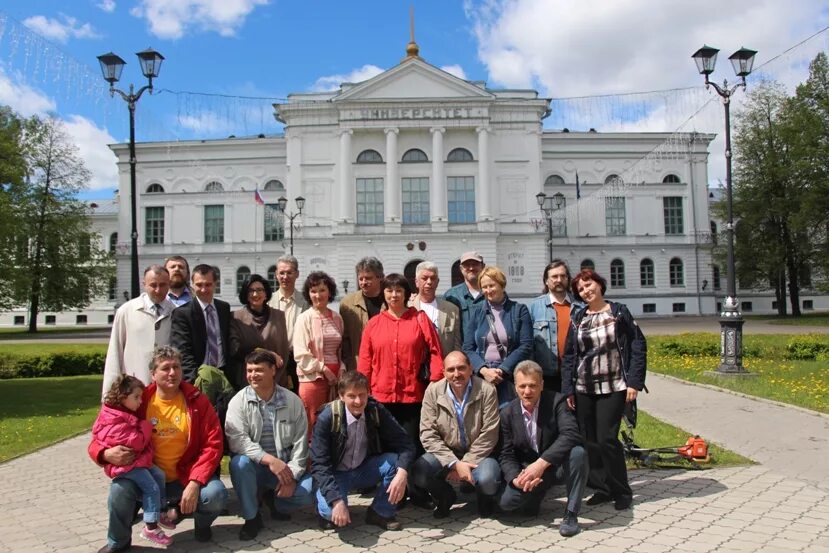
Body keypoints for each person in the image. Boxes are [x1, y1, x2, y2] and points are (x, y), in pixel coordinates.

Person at [89, 346, 228, 553]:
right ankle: (118, 542)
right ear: (153, 374)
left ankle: (201, 527)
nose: (172, 373)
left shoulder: (197, 401)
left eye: (177, 367)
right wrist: (104, 454)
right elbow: (100, 434)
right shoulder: (138, 401)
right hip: (148, 477)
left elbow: (213, 443)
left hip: (185, 475)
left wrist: (195, 481)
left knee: (215, 494)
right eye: (165, 368)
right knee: (119, 490)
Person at [562, 269, 647, 511]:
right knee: (590, 441)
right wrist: (568, 389)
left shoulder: (619, 312)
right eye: (580, 289)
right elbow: (570, 355)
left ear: (600, 284)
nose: (586, 291)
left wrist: (634, 382)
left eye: (589, 285)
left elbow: (637, 345)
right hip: (583, 387)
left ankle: (622, 490)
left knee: (608, 439)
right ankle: (602, 488)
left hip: (614, 385)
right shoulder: (579, 317)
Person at [225, 349, 314, 540]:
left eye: (258, 370)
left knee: (307, 492)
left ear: (273, 370)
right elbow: (237, 441)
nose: (252, 375)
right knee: (239, 463)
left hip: (284, 469)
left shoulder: (292, 401)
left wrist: (292, 477)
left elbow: (301, 443)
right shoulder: (238, 402)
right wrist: (269, 460)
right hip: (254, 468)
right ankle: (252, 517)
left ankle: (275, 500)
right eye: (249, 370)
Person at [310, 371, 415, 531]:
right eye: (352, 396)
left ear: (368, 393)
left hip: (364, 469)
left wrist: (402, 474)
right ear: (341, 396)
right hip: (336, 474)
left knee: (395, 462)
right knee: (330, 511)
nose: (358, 401)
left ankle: (380, 512)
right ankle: (328, 505)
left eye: (362, 395)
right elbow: (319, 464)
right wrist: (336, 501)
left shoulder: (375, 410)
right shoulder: (327, 418)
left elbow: (405, 443)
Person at [498, 360, 588, 537]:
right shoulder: (507, 413)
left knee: (578, 453)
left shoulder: (557, 402)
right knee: (507, 504)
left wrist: (541, 464)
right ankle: (535, 494)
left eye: (532, 385)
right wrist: (516, 479)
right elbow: (506, 454)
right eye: (522, 386)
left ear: (542, 385)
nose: (527, 391)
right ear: (515, 387)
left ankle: (571, 514)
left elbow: (570, 434)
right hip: (527, 473)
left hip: (553, 467)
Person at [358, 273, 444, 455]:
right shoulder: (374, 324)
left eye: (399, 290)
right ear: (384, 293)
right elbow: (365, 359)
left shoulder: (419, 319)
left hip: (413, 395)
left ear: (406, 294)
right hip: (381, 396)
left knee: (411, 445)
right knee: (385, 446)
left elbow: (436, 351)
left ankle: (412, 483)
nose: (394, 295)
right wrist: (361, 390)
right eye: (389, 290)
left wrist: (435, 382)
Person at [411, 351, 501, 519]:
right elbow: (427, 433)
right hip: (446, 452)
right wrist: (453, 463)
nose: (456, 374)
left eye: (461, 368)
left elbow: (490, 433)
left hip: (479, 454)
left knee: (489, 479)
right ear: (444, 372)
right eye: (451, 370)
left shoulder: (487, 390)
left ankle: (484, 498)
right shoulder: (433, 392)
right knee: (420, 472)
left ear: (470, 369)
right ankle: (445, 496)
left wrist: (466, 463)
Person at [92, 376, 175, 547]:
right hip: (128, 466)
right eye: (136, 397)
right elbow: (134, 442)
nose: (140, 401)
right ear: (123, 397)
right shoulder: (113, 417)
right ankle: (150, 527)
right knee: (146, 487)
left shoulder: (123, 412)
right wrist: (146, 427)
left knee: (158, 475)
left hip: (138, 462)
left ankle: (158, 512)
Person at [463, 266, 533, 406]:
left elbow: (526, 345)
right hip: (482, 375)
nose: (488, 290)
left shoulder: (519, 310)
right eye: (484, 287)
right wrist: (483, 370)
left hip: (508, 375)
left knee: (508, 418)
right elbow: (467, 348)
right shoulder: (477, 313)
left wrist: (502, 370)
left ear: (502, 284)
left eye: (492, 285)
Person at [102, 265, 175, 397]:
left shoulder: (176, 312)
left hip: (166, 390)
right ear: (144, 285)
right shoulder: (126, 311)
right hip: (133, 388)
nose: (158, 290)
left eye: (163, 285)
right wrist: (109, 393)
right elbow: (115, 351)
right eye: (153, 285)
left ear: (169, 284)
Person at [293, 271, 345, 432]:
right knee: (313, 423)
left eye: (322, 290)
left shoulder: (337, 318)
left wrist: (341, 369)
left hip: (336, 379)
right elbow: (300, 353)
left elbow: (340, 349)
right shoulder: (304, 318)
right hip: (313, 378)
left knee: (335, 423)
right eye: (313, 291)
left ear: (329, 291)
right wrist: (323, 369)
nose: (318, 295)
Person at [528, 260, 584, 392]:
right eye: (554, 276)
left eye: (563, 276)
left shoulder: (581, 307)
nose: (559, 280)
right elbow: (529, 344)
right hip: (547, 376)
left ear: (568, 279)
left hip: (577, 373)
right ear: (546, 281)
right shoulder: (535, 307)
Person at [171, 264, 231, 383]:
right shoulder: (182, 313)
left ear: (215, 284)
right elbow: (183, 351)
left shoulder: (224, 308)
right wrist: (195, 381)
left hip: (224, 376)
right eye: (199, 285)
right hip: (199, 377)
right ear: (192, 285)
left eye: (208, 284)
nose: (203, 289)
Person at [228, 274, 288, 391]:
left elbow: (283, 351)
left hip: (276, 380)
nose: (255, 294)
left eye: (259, 290)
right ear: (246, 294)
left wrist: (276, 379)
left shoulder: (279, 316)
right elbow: (235, 349)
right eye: (251, 291)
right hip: (248, 382)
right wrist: (267, 353)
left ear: (266, 293)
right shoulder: (235, 317)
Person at [267, 255, 309, 391]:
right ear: (276, 275)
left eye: (289, 272)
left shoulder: (306, 302)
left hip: (298, 360)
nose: (285, 276)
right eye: (282, 273)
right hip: (274, 359)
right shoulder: (268, 302)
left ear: (297, 274)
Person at [340, 256, 385, 372]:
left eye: (368, 278)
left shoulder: (390, 301)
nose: (363, 282)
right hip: (358, 366)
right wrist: (349, 362)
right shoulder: (347, 303)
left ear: (380, 277)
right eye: (361, 279)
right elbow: (344, 338)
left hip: (384, 365)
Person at [410, 261, 461, 357]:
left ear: (437, 282)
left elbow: (456, 345)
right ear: (417, 282)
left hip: (443, 365)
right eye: (424, 278)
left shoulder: (452, 310)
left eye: (433, 278)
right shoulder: (408, 308)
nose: (429, 282)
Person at [444, 251, 486, 340]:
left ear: (483, 266)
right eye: (467, 265)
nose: (471, 268)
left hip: (489, 350)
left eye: (475, 264)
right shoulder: (451, 295)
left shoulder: (492, 293)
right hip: (462, 351)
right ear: (461, 268)